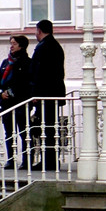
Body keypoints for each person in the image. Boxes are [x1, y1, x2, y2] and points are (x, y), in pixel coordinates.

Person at [26, 19, 67, 172]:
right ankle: (50, 160)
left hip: (46, 95)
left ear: (39, 30)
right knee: (50, 128)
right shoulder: (56, 46)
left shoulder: (43, 47)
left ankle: (48, 161)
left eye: (36, 31)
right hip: (53, 93)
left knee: (46, 129)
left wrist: (36, 94)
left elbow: (39, 73)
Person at [0, 35, 29, 169]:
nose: (11, 46)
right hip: (5, 103)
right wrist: (1, 92)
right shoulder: (5, 62)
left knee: (24, 132)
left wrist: (11, 92)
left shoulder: (26, 62)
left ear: (21, 46)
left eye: (14, 44)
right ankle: (11, 159)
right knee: (9, 132)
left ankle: (26, 160)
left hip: (20, 103)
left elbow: (25, 83)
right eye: (11, 43)